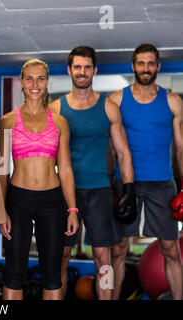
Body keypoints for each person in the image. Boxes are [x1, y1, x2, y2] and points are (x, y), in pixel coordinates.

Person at [49, 46, 135, 300]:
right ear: (69, 70)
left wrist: (129, 189)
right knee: (61, 257)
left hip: (99, 191)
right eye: (77, 67)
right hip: (66, 192)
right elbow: (46, 155)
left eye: (87, 67)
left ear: (94, 70)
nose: (82, 72)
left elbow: (123, 153)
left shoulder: (108, 108)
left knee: (103, 258)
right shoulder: (55, 109)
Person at [0, 58, 79, 300]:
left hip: (52, 202)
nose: (35, 83)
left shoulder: (60, 122)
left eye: (40, 78)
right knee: (13, 273)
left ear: (47, 82)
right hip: (17, 200)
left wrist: (72, 208)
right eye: (29, 78)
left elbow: (64, 169)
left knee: (52, 274)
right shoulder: (7, 121)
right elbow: (0, 171)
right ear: (21, 82)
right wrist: (0, 209)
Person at [110, 43, 183, 300]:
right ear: (133, 66)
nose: (146, 68)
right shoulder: (117, 100)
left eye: (151, 63)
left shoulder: (172, 101)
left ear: (158, 66)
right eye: (141, 63)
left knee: (171, 249)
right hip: (125, 182)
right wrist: (109, 184)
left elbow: (180, 148)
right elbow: (110, 147)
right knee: (117, 250)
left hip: (162, 184)